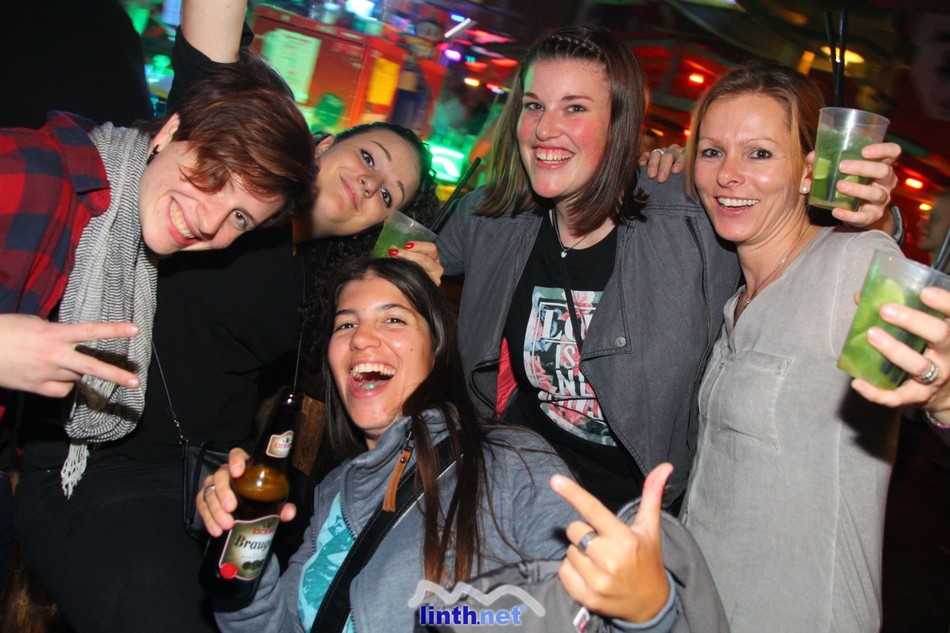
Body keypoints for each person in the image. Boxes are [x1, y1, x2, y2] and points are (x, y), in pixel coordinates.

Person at [11, 2, 442, 632]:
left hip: (221, 486)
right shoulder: (218, 176)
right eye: (370, 159)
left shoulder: (332, 292)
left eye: (387, 195)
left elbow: (377, 384)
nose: (368, 186)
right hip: (104, 468)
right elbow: (211, 37)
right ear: (325, 144)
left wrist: (407, 300)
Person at [434, 26, 900, 511]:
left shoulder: (687, 213)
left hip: (640, 516)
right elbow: (408, 254)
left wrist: (877, 218)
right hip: (508, 483)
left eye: (575, 108)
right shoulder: (493, 219)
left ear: (619, 121)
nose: (545, 128)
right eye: (533, 106)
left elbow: (793, 228)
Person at [198, 257, 684, 633]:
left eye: (393, 320)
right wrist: (240, 553)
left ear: (437, 349)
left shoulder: (509, 462)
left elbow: (575, 612)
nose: (362, 339)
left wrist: (646, 613)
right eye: (345, 324)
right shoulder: (334, 490)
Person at [676, 61, 902, 632]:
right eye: (712, 152)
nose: (728, 175)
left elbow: (928, 375)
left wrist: (942, 395)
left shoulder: (851, 265)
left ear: (809, 171)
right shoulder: (737, 299)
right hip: (704, 610)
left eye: (759, 153)